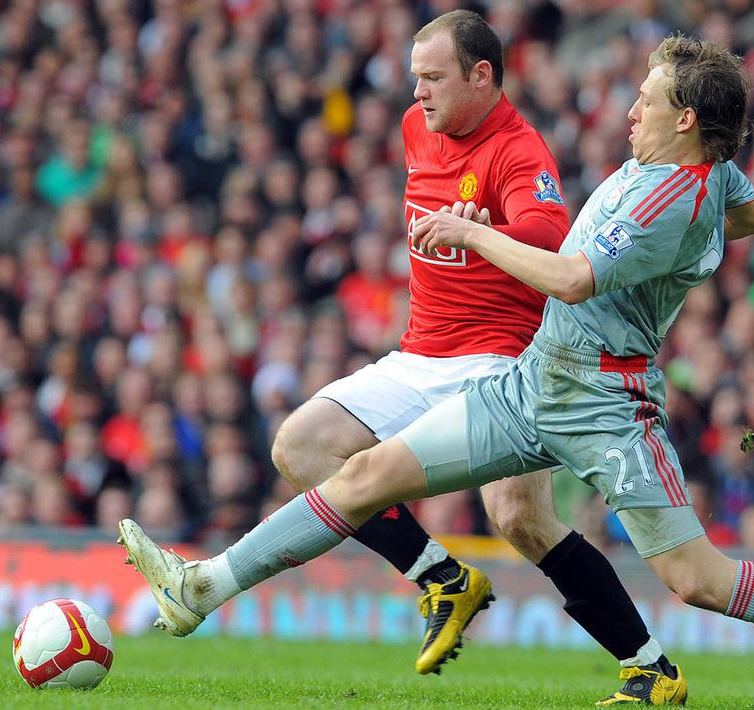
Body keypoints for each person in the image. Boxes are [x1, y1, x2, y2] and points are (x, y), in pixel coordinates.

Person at [120, 36, 754, 709]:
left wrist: (470, 233)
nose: (630, 108)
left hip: (604, 404)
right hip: (534, 386)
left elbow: (566, 276)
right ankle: (202, 588)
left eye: (648, 99)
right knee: (369, 473)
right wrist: (693, 253)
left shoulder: (666, 200)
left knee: (697, 580)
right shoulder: (702, 174)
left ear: (685, 123)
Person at [271, 9, 662, 688]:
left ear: (481, 76)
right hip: (420, 352)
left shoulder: (519, 148)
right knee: (300, 448)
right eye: (414, 77)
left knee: (519, 517)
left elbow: (548, 235)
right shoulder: (413, 129)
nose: (417, 92)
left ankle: (650, 667)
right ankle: (440, 577)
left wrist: (482, 231)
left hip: (503, 358)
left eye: (432, 78)